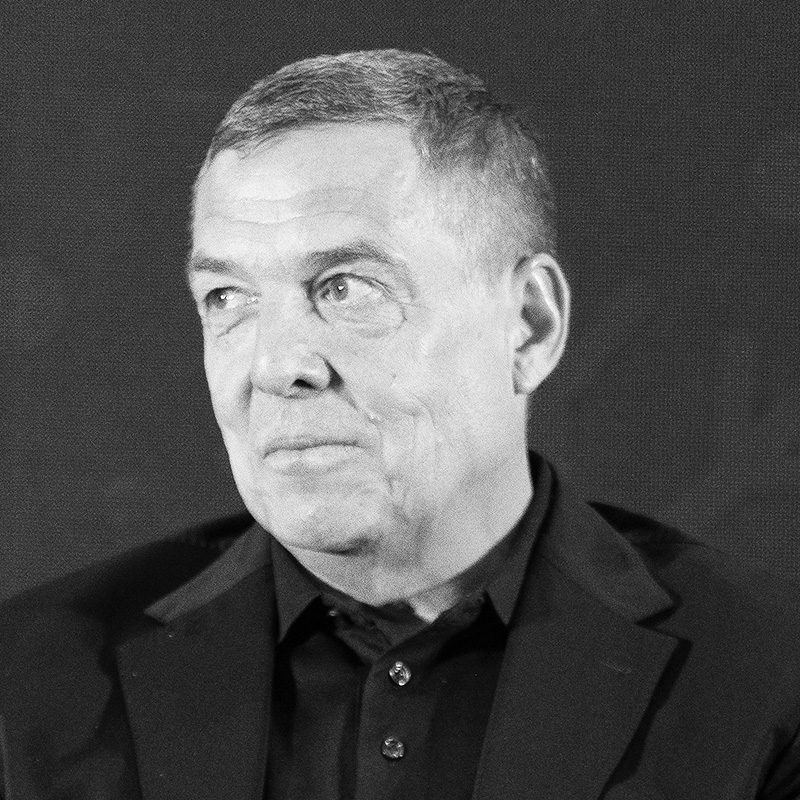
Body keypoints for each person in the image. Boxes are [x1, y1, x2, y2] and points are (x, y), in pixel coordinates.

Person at [1, 48, 799, 800]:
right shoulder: (28, 685)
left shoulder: (769, 681)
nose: (276, 366)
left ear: (529, 327)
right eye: (228, 298)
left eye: (346, 287)